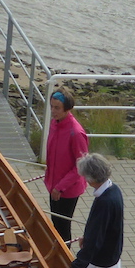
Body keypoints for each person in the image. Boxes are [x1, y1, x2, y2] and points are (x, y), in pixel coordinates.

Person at [63, 152, 123, 268]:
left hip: (103, 258)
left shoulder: (105, 202)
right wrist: (87, 238)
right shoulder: (113, 189)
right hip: (108, 253)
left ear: (90, 179)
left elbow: (96, 238)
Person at [44, 87, 88, 245]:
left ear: (67, 109)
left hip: (67, 189)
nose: (53, 111)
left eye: (57, 108)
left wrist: (60, 187)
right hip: (54, 184)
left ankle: (65, 261)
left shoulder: (76, 133)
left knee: (63, 227)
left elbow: (81, 166)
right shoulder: (55, 124)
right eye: (52, 107)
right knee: (55, 224)